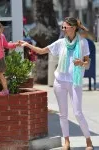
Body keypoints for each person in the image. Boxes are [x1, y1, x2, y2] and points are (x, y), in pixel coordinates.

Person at [20, 17, 93, 150]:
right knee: (63, 114)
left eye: (65, 27)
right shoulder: (60, 43)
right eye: (62, 27)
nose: (63, 29)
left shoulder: (83, 43)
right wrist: (27, 45)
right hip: (60, 81)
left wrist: (81, 63)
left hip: (74, 82)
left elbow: (88, 63)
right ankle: (67, 142)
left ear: (73, 28)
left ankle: (88, 141)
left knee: (77, 113)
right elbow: (42, 51)